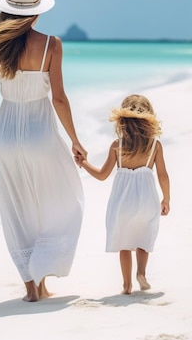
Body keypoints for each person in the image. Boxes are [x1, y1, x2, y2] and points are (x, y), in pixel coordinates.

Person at [0, 0, 86, 302]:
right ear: (36, 13)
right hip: (41, 133)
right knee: (60, 199)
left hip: (6, 135)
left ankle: (31, 286)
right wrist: (75, 140)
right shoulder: (52, 44)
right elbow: (60, 99)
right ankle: (43, 268)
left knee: (16, 209)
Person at [75, 94, 170, 294]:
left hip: (122, 204)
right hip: (147, 201)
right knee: (143, 239)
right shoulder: (154, 146)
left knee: (124, 244)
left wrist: (82, 163)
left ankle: (126, 285)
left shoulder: (117, 146)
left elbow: (102, 175)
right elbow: (163, 175)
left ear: (123, 120)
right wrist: (166, 199)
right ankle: (141, 273)